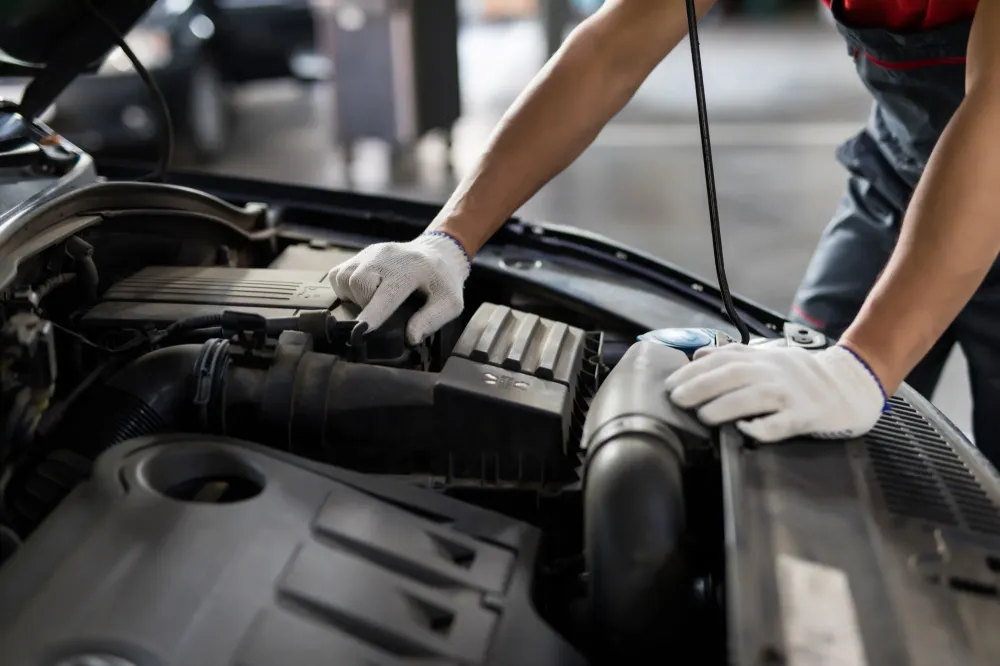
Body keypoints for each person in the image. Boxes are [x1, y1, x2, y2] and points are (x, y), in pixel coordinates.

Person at [328, 1, 1000, 458]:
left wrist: (865, 366)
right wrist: (448, 240)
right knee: (788, 413)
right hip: (898, 179)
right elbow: (611, 50)